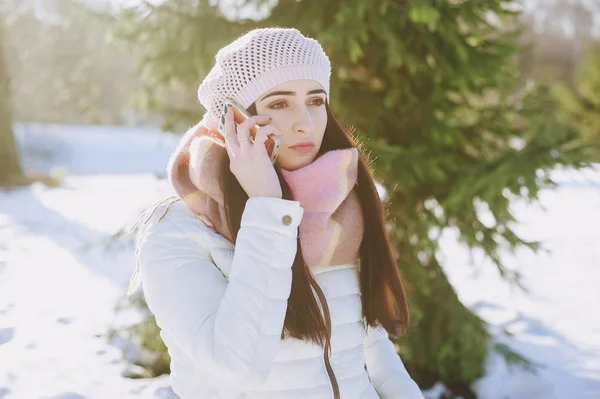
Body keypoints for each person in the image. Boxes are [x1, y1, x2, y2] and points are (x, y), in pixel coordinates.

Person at [130, 27, 425, 399]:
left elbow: (370, 343)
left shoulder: (338, 206)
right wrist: (266, 208)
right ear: (233, 118)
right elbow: (235, 369)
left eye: (316, 101)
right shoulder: (178, 231)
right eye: (279, 104)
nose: (305, 122)